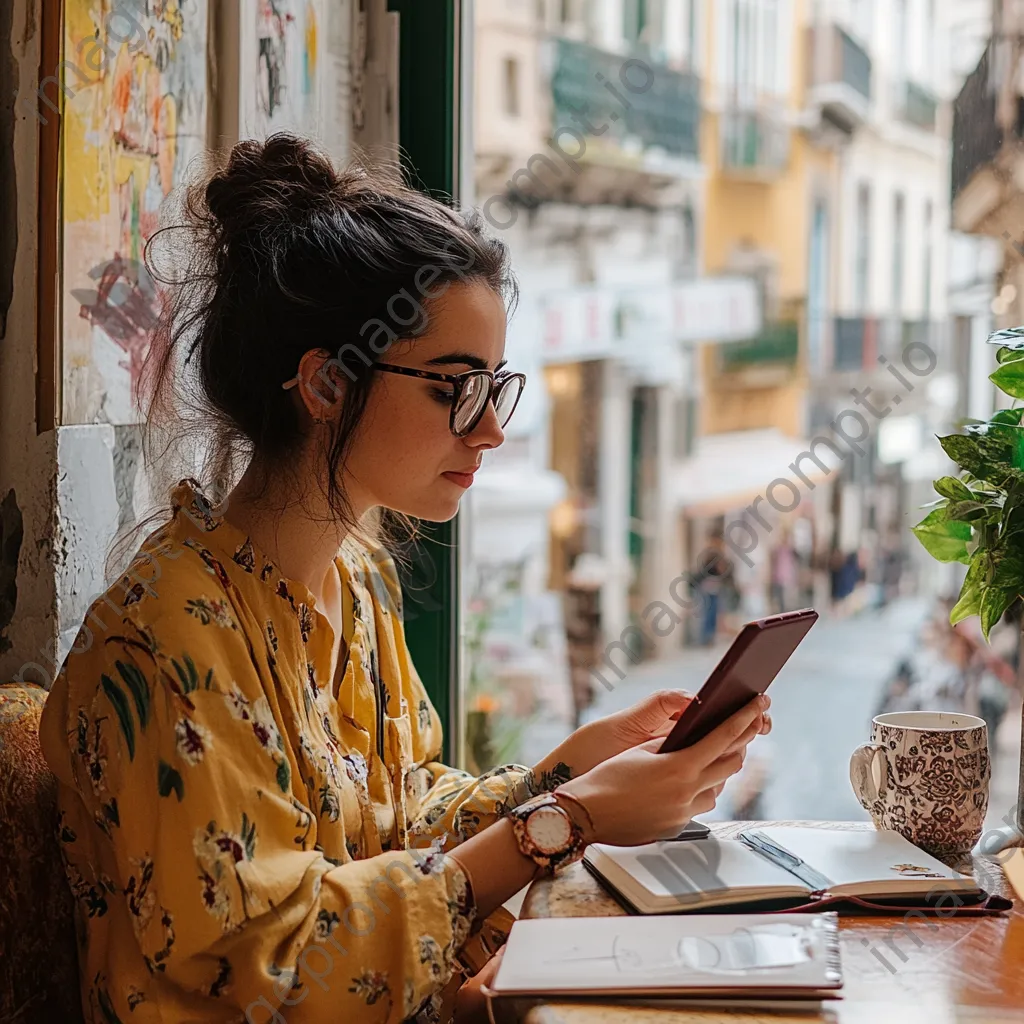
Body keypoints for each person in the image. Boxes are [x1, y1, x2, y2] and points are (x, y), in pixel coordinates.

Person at [38, 135, 771, 1024]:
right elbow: (274, 969)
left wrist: (582, 765)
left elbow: (399, 820)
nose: (490, 430)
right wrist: (569, 817)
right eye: (456, 388)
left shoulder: (354, 579)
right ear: (327, 386)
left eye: (496, 388)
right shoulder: (167, 636)